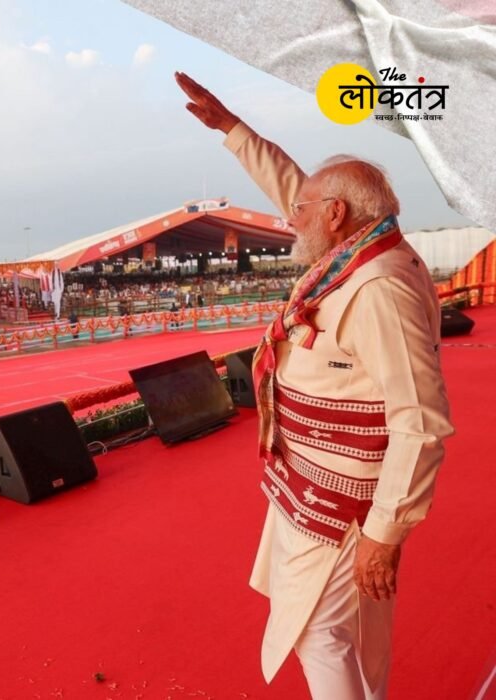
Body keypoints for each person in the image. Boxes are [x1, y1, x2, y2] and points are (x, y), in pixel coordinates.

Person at [177, 71, 453, 699]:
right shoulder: (353, 254)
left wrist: (384, 534)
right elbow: (291, 187)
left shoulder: (378, 287)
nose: (290, 216)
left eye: (302, 210)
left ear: (335, 214)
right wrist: (235, 132)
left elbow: (421, 420)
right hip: (313, 484)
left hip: (342, 503)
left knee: (318, 633)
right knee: (352, 628)